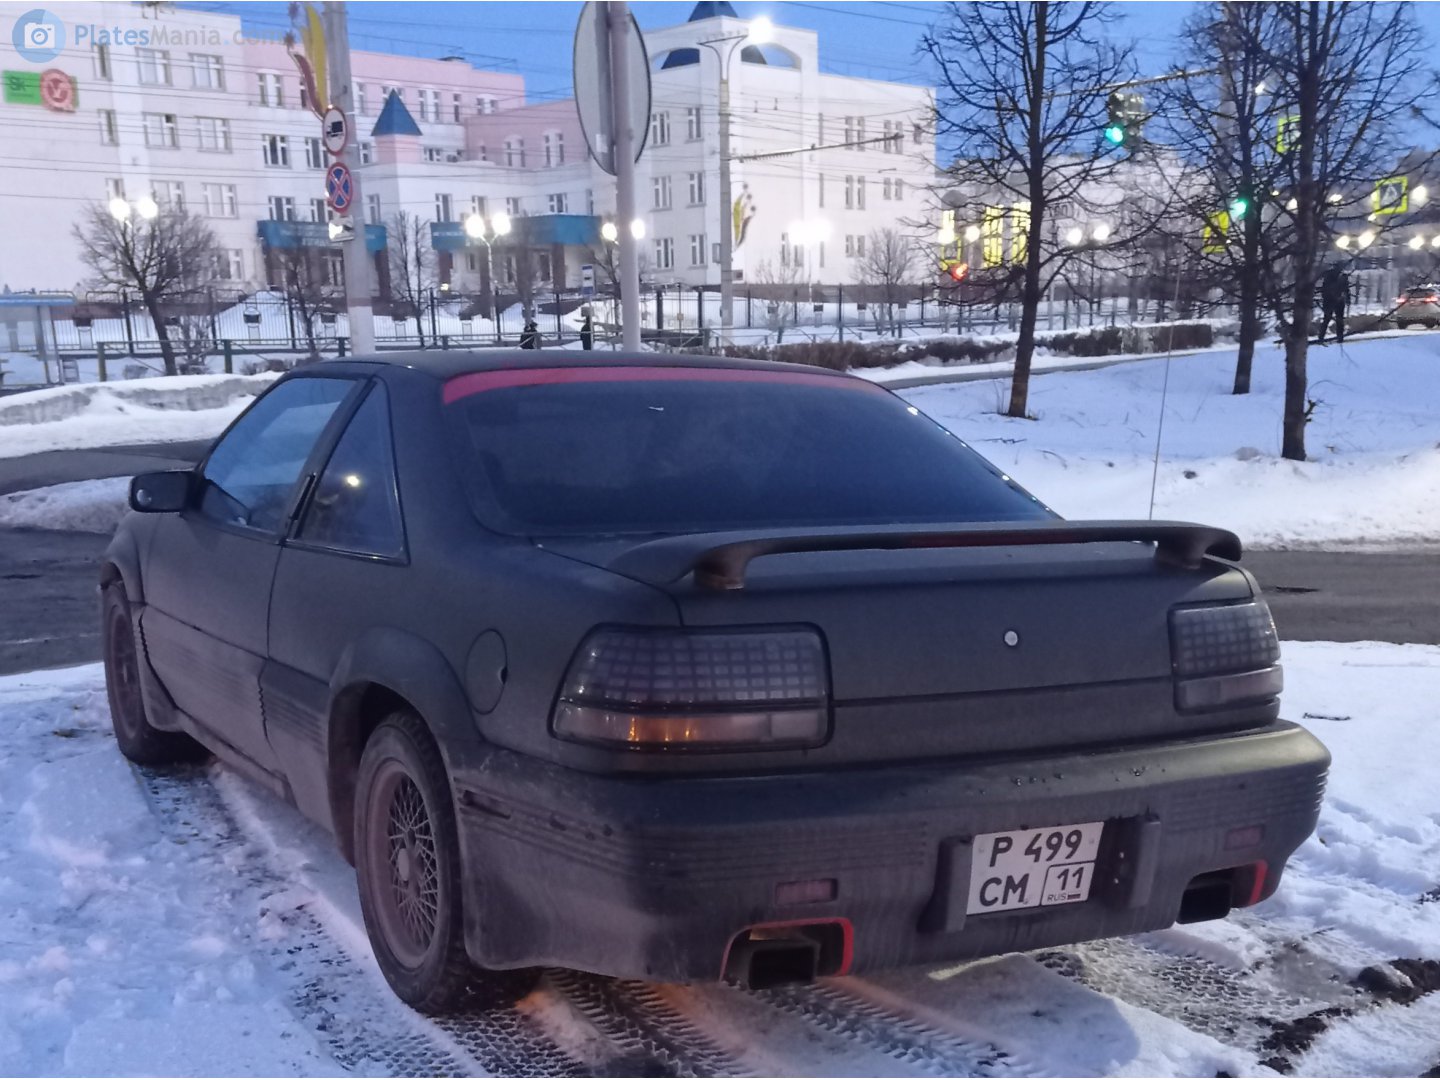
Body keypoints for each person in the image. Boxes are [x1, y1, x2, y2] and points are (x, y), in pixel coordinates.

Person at [1317, 262, 1350, 344]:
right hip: (1331, 300)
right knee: (1331, 319)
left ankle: (1337, 337)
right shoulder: (1332, 276)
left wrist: (1347, 298)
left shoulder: (1342, 276)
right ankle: (1325, 337)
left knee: (1335, 319)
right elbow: (1326, 288)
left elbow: (1346, 289)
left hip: (1335, 301)